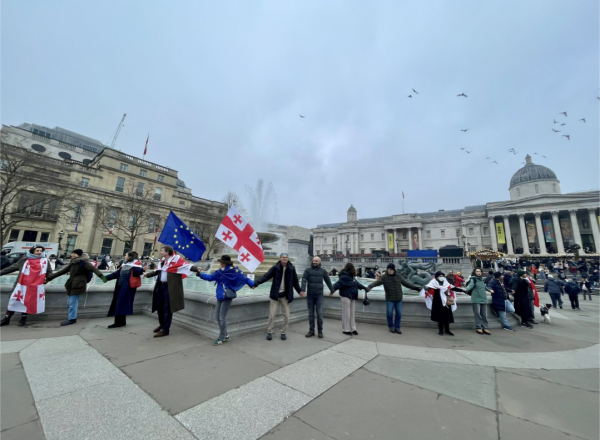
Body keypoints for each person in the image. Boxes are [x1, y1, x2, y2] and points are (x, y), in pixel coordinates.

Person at [143, 246, 199, 337]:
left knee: (167, 308)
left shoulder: (177, 261)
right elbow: (157, 271)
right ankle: (162, 324)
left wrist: (197, 269)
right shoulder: (162, 261)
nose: (161, 252)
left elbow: (187, 266)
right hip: (161, 285)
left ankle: (166, 329)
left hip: (170, 287)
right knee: (159, 306)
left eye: (162, 250)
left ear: (167, 252)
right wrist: (146, 275)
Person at [199, 255, 255, 345]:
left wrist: (252, 284)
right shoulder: (219, 272)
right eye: (220, 262)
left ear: (225, 263)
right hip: (220, 295)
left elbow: (243, 277)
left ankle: (221, 338)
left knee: (222, 318)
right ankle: (225, 334)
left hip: (227, 296)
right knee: (217, 317)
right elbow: (210, 278)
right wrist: (200, 274)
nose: (220, 263)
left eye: (222, 262)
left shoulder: (233, 271)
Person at [45, 249, 106, 326]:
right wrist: (49, 278)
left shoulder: (83, 262)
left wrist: (103, 278)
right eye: (72, 253)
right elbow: (62, 271)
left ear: (79, 255)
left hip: (78, 284)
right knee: (70, 302)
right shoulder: (73, 263)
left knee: (72, 303)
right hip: (71, 284)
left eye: (75, 254)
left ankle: (72, 319)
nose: (73, 255)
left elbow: (94, 269)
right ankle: (71, 317)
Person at [253, 253, 303, 341]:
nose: (285, 259)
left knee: (287, 316)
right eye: (283, 257)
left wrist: (299, 291)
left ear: (288, 259)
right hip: (275, 295)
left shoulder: (291, 269)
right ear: (280, 259)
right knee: (272, 315)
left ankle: (283, 332)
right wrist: (256, 283)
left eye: (286, 257)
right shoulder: (275, 268)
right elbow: (266, 276)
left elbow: (295, 281)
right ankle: (269, 331)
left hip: (286, 296)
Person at [0, 245, 52, 327]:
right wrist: (1, 273)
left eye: (41, 251)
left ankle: (23, 318)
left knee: (28, 301)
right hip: (21, 284)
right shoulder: (24, 260)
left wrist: (47, 279)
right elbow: (12, 268)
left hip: (34, 286)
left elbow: (49, 272)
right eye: (37, 250)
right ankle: (7, 318)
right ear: (33, 251)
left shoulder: (44, 261)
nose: (39, 252)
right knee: (13, 300)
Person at [104, 251, 144, 328]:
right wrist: (105, 278)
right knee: (119, 304)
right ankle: (121, 322)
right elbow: (116, 274)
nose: (125, 256)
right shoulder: (125, 265)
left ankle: (118, 322)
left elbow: (138, 272)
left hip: (127, 289)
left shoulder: (135, 266)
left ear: (130, 257)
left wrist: (143, 270)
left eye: (126, 255)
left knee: (121, 304)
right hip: (120, 287)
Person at [368, 263, 410, 334]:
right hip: (390, 299)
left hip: (398, 299)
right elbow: (377, 282)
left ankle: (397, 327)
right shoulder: (384, 277)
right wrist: (370, 286)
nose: (389, 270)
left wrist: (416, 288)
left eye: (391, 269)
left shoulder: (398, 276)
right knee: (389, 313)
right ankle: (391, 326)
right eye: (388, 269)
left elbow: (406, 284)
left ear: (393, 270)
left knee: (399, 314)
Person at [331, 262, 369, 335]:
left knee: (352, 313)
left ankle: (353, 328)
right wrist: (332, 290)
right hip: (346, 296)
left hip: (352, 296)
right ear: (351, 269)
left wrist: (364, 288)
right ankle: (346, 329)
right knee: (346, 313)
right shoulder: (344, 276)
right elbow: (338, 284)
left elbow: (357, 284)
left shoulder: (352, 277)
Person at [301, 256, 333, 338]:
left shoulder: (323, 271)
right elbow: (304, 279)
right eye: (313, 260)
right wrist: (303, 290)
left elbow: (328, 281)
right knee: (311, 314)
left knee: (320, 313)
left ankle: (320, 331)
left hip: (319, 295)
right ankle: (311, 331)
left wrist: (332, 290)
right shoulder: (307, 270)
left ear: (319, 262)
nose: (314, 262)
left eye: (316, 261)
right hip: (310, 295)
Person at [420, 271, 461, 336]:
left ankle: (447, 330)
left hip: (446, 300)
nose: (441, 277)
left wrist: (463, 290)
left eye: (442, 276)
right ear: (436, 277)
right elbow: (428, 287)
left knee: (447, 315)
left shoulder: (446, 283)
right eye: (440, 276)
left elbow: (452, 288)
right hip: (438, 301)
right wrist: (426, 288)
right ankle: (441, 330)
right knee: (440, 316)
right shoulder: (433, 283)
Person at [465, 268, 494, 335]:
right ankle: (478, 327)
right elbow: (470, 285)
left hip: (483, 298)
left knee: (484, 314)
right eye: (477, 271)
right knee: (477, 313)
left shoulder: (482, 279)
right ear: (474, 272)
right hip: (476, 298)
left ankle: (485, 327)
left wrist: (490, 290)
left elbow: (484, 287)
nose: (478, 272)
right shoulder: (473, 279)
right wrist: (465, 289)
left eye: (480, 271)